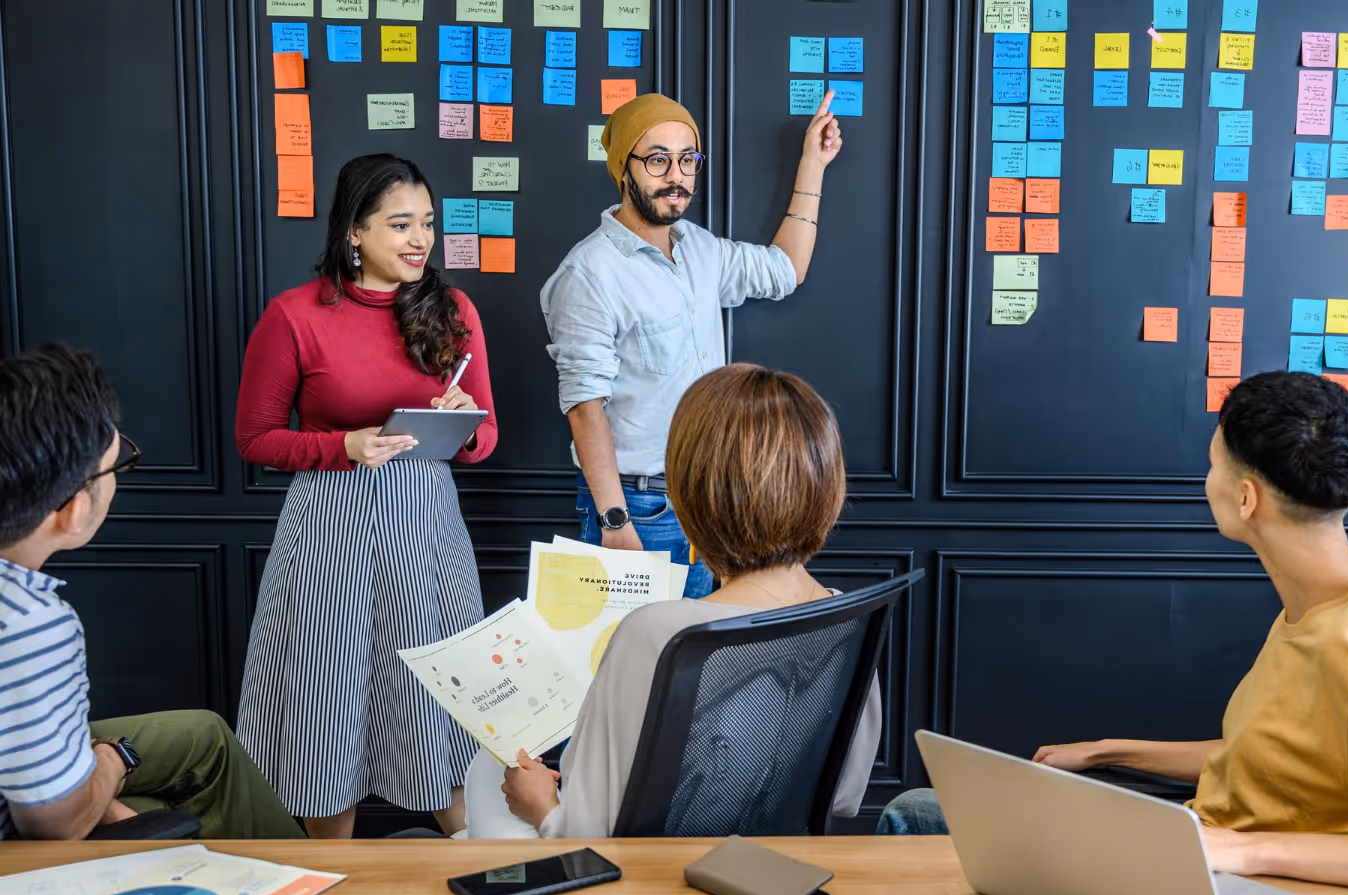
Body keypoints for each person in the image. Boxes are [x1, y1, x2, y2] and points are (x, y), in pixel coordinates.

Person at [879, 372, 1348, 895]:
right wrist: (1105, 750)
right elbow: (1264, 759)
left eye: (1211, 466)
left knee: (914, 818)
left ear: (1247, 498)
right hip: (1193, 835)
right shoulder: (1323, 597)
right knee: (937, 812)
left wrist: (1243, 851)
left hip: (1223, 874)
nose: (1206, 482)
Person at [464, 363, 880, 838]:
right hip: (774, 873)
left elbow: (584, 830)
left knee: (485, 775)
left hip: (646, 891)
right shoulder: (848, 615)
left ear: (690, 492)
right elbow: (845, 794)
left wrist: (541, 803)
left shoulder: (657, 631)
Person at [235, 154, 498, 839]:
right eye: (400, 225)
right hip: (329, 525)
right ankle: (332, 873)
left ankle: (469, 852)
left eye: (428, 224)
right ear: (354, 231)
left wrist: (463, 420)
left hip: (427, 524)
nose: (420, 241)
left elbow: (485, 438)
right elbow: (256, 439)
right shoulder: (294, 315)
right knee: (327, 700)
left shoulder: (454, 309)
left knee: (440, 698)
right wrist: (341, 446)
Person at [541, 91, 844, 599]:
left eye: (687, 160)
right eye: (657, 159)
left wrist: (813, 164)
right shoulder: (589, 273)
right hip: (640, 510)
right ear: (624, 169)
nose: (675, 176)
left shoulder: (698, 248)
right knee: (642, 667)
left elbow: (785, 270)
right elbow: (584, 406)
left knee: (705, 667)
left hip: (712, 504)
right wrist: (614, 521)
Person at [0, 345, 302, 840]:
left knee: (206, 735)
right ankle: (285, 887)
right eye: (117, 468)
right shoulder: (32, 623)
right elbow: (54, 824)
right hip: (24, 849)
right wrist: (112, 760)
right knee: (156, 795)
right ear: (72, 510)